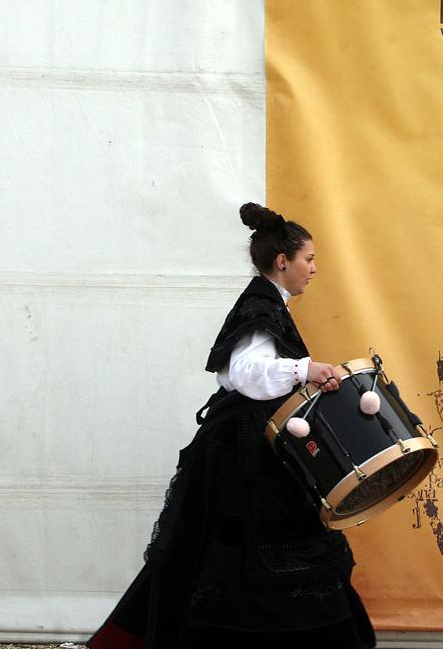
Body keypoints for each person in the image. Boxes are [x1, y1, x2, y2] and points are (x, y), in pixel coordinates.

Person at [86, 203, 376, 649]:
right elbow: (243, 373)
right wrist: (305, 369)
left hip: (245, 452)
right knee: (249, 552)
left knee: (222, 554)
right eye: (309, 259)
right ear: (283, 262)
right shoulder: (261, 306)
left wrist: (307, 374)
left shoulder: (264, 304)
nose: (314, 269)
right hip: (242, 460)